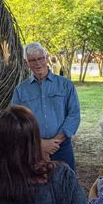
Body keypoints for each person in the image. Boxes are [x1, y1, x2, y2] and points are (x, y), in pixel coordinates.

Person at [11, 42, 81, 171]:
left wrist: (54, 143)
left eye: (40, 58)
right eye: (32, 60)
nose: (37, 63)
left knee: (66, 185)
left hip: (62, 147)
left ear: (46, 57)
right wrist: (40, 144)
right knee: (37, 187)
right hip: (33, 148)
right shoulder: (20, 90)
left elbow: (74, 115)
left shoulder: (66, 85)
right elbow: (16, 120)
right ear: (26, 63)